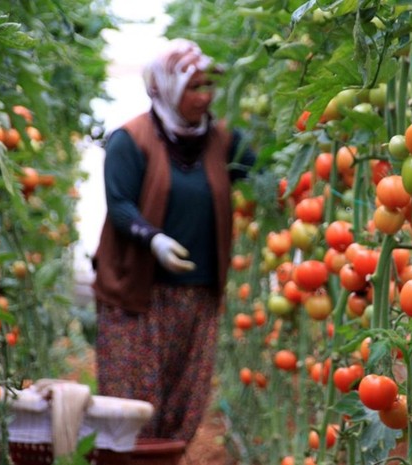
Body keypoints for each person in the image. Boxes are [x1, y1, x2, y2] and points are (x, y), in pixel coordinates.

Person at [92, 39, 255, 443]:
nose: (205, 97)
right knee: (134, 401)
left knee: (184, 399)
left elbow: (266, 171)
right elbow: (120, 205)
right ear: (164, 87)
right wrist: (155, 241)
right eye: (194, 87)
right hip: (138, 295)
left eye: (208, 86)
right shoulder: (129, 140)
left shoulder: (222, 141)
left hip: (197, 295)